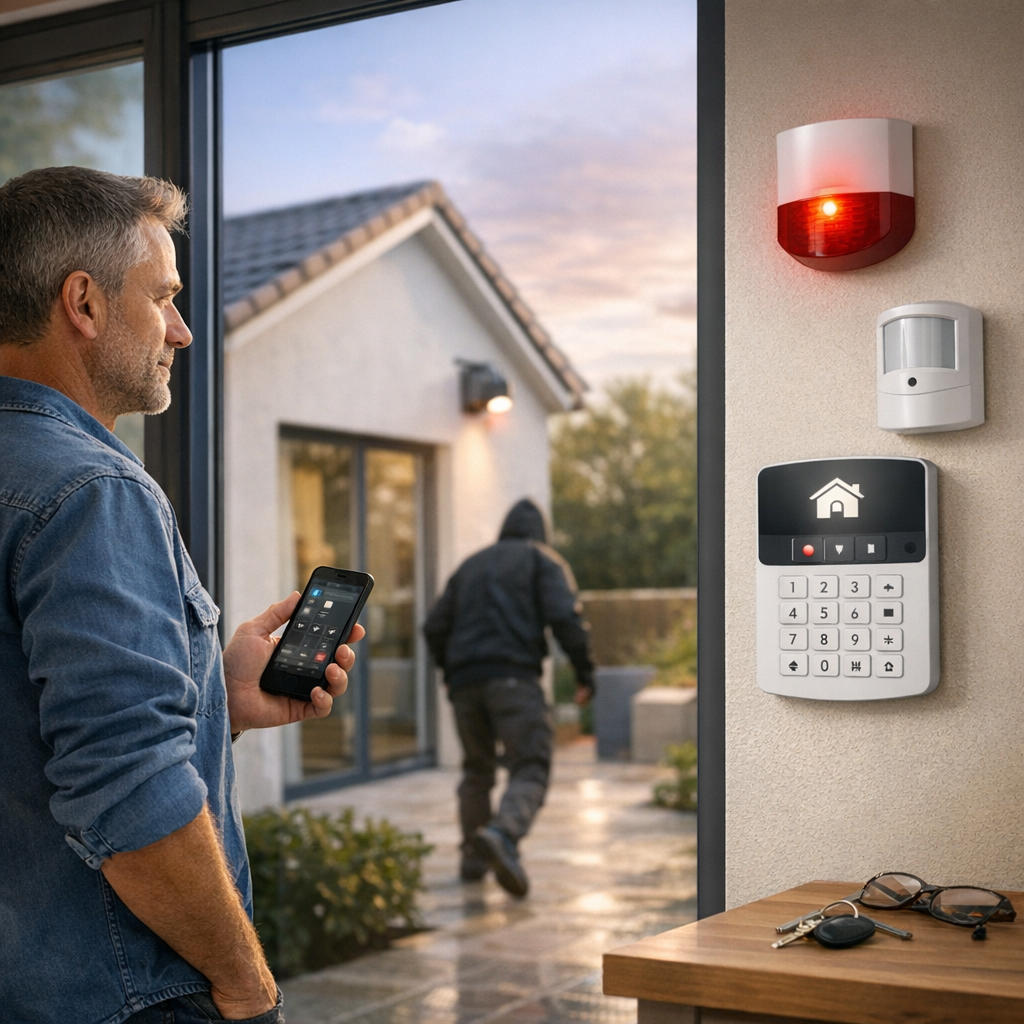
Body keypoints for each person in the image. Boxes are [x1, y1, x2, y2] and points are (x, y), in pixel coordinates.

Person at [0, 166, 363, 1024]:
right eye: (162, 296)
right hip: (115, 998)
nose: (183, 329)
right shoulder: (91, 492)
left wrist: (217, 698)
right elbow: (129, 789)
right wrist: (246, 986)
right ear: (82, 304)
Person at [424, 498, 594, 898]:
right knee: (531, 764)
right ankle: (503, 833)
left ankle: (472, 859)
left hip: (466, 685)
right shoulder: (542, 560)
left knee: (477, 770)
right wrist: (586, 674)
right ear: (541, 534)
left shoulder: (470, 565)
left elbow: (433, 626)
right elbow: (566, 617)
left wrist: (451, 672)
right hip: (515, 680)